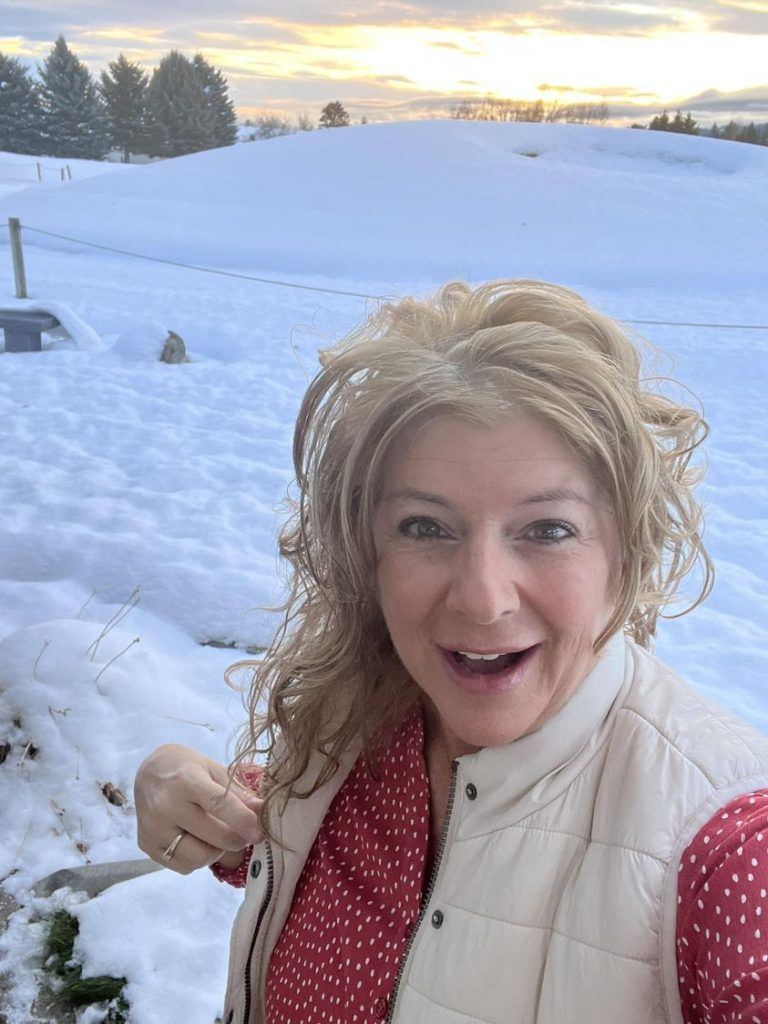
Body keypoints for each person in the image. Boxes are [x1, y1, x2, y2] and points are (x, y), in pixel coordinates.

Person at [134, 279, 768, 1024]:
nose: (484, 598)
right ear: (364, 551)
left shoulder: (725, 849)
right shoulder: (365, 725)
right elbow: (298, 843)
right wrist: (181, 790)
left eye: (548, 529)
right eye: (425, 528)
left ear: (624, 553)